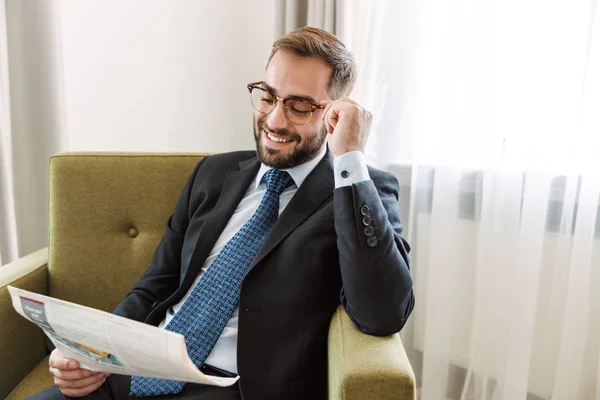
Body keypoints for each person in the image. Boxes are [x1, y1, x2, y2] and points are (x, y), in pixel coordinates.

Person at [32, 26, 414, 400]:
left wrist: (349, 158)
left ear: (334, 113)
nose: (276, 121)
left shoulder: (360, 189)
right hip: (133, 371)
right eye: (268, 97)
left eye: (299, 106)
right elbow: (154, 286)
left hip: (235, 387)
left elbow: (382, 312)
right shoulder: (212, 173)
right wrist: (96, 353)